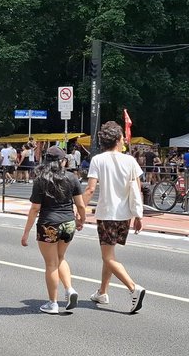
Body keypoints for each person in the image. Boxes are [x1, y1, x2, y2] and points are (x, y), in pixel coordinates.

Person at [82, 121, 147, 314]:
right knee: (109, 254)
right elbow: (138, 189)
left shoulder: (98, 160)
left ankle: (133, 288)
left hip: (107, 213)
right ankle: (102, 292)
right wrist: (138, 215)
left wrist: (79, 210)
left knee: (107, 256)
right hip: (125, 214)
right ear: (119, 140)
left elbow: (91, 188)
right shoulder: (130, 161)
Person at [22, 146, 86, 314]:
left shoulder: (40, 180)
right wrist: (81, 220)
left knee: (51, 264)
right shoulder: (72, 178)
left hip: (48, 224)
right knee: (61, 257)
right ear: (62, 161)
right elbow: (80, 204)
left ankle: (53, 303)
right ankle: (69, 289)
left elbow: (35, 208)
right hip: (68, 223)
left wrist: (26, 232)